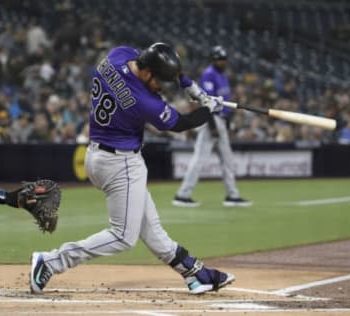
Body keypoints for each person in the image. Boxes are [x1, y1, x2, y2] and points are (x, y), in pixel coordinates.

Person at [29, 42, 235, 295]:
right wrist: (208, 108)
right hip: (120, 164)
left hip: (98, 155)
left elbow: (157, 61)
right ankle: (50, 262)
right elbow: (181, 123)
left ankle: (194, 274)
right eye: (159, 80)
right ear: (148, 72)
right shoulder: (144, 101)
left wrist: (190, 86)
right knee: (123, 237)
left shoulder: (118, 56)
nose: (161, 86)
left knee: (150, 228)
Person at [172, 45, 252, 207]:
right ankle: (182, 195)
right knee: (200, 159)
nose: (221, 62)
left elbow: (225, 103)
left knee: (227, 160)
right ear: (213, 60)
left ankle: (232, 195)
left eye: (223, 59)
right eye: (218, 59)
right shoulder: (209, 75)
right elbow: (206, 102)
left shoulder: (223, 76)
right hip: (211, 121)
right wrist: (213, 125)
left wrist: (227, 121)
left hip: (221, 120)